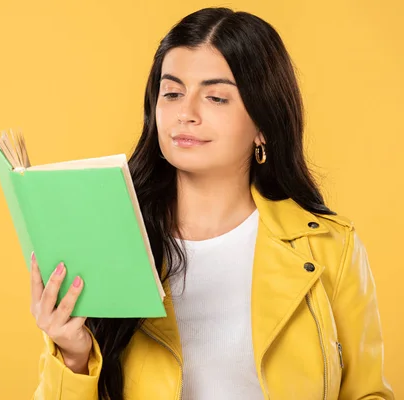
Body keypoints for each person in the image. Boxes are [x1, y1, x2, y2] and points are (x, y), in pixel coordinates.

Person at [28, 7, 394, 400]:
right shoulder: (108, 239)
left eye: (216, 97)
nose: (186, 113)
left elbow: (367, 392)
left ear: (263, 125)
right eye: (171, 93)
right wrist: (72, 355)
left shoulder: (329, 247)